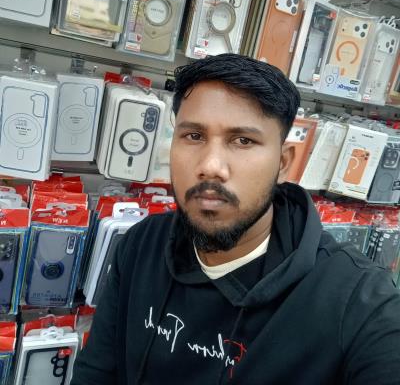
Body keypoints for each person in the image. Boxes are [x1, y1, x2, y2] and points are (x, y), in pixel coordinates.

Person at [71, 54, 400, 385]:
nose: (211, 166)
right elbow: (95, 374)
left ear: (283, 163)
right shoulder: (141, 244)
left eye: (243, 140)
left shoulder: (360, 303)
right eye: (194, 136)